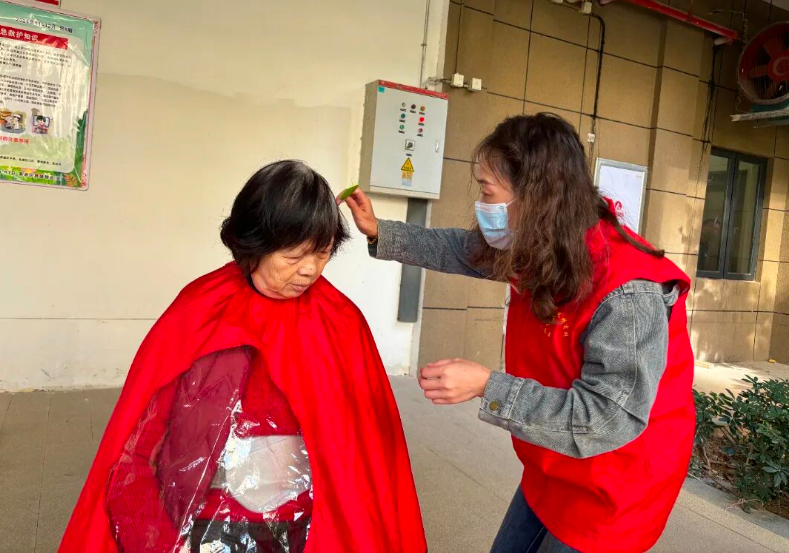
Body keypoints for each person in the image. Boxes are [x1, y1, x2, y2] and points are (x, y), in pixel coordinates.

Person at [344, 113, 695, 553]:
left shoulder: (628, 293)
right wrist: (381, 231)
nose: (482, 204)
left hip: (614, 485)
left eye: (487, 190)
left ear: (536, 196)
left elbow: (608, 419)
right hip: (554, 463)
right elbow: (463, 250)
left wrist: (486, 386)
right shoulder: (546, 244)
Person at [60, 160, 426, 553]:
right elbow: (139, 444)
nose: (309, 270)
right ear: (255, 243)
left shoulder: (340, 321)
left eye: (321, 253)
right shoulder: (199, 310)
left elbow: (367, 455)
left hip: (309, 525)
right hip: (206, 522)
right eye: (294, 256)